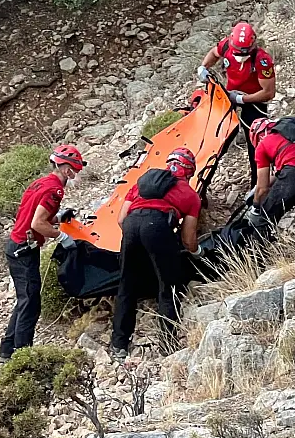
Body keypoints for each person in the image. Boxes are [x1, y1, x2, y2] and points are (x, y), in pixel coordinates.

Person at [110, 147, 203, 358]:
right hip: (158, 227)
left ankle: (119, 344)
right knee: (168, 287)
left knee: (126, 286)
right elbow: (188, 239)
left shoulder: (141, 182)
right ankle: (167, 344)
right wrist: (197, 252)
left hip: (131, 226)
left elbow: (121, 219)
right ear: (189, 172)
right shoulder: (190, 194)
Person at [0, 144, 86, 362]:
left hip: (16, 245)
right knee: (30, 303)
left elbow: (32, 215)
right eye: (75, 170)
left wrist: (58, 218)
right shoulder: (54, 190)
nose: (76, 175)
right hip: (24, 250)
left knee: (24, 299)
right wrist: (61, 236)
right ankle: (22, 356)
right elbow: (37, 223)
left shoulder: (40, 183)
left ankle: (7, 349)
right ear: (67, 169)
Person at [197, 22, 276, 186]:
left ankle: (258, 185)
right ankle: (201, 180)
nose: (240, 55)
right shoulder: (227, 45)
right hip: (229, 94)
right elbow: (214, 52)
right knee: (216, 135)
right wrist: (203, 67)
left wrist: (242, 99)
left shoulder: (262, 60)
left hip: (253, 100)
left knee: (256, 144)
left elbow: (268, 92)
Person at [246, 117, 295, 234]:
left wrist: (255, 206)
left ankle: (258, 245)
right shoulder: (293, 134)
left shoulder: (262, 145)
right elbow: (282, 171)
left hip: (294, 175)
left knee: (265, 217)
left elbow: (263, 189)